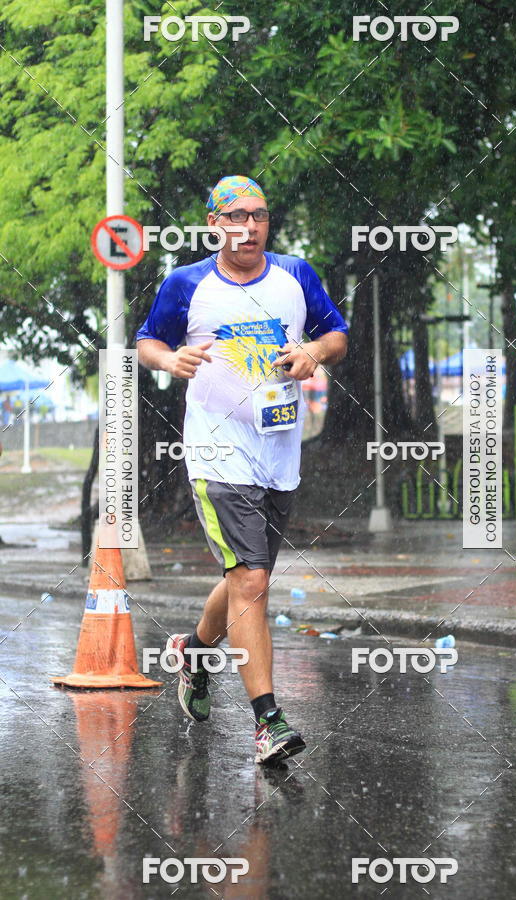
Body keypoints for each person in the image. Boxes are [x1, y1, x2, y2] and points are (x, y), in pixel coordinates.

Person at [137, 175, 348, 763]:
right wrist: (170, 360)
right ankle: (268, 723)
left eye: (258, 215)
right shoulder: (187, 284)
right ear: (214, 224)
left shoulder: (296, 276)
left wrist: (312, 352)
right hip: (216, 451)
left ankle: (194, 650)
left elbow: (336, 334)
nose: (249, 226)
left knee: (246, 579)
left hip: (279, 454)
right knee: (251, 581)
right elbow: (147, 342)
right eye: (236, 216)